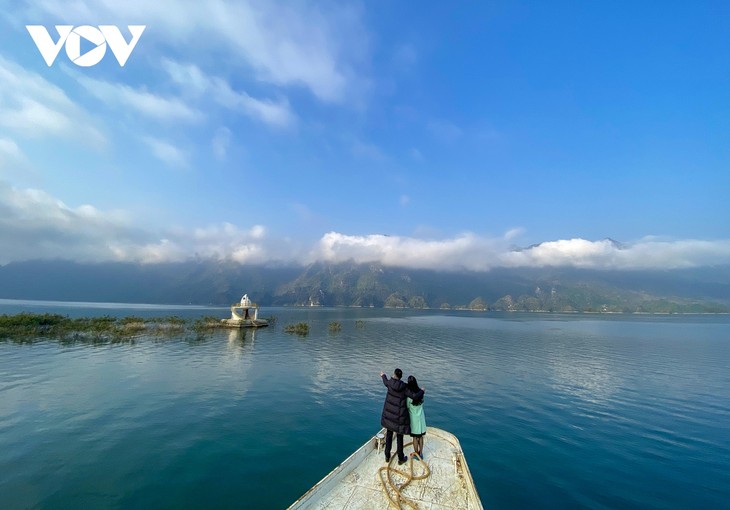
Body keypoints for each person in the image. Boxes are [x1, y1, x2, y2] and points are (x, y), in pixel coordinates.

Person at [380, 368, 425, 465]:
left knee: (389, 435)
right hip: (399, 418)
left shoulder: (390, 384)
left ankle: (387, 456)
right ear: (400, 377)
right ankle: (401, 458)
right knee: (399, 437)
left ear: (394, 375)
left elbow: (385, 381)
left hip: (389, 417)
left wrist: (383, 375)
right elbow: (415, 397)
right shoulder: (404, 388)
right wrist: (422, 391)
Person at [406, 375, 427, 459]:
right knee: (420, 437)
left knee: (415, 437)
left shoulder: (409, 396)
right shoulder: (421, 393)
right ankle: (421, 453)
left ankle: (416, 453)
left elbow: (407, 406)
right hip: (421, 419)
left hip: (413, 419)